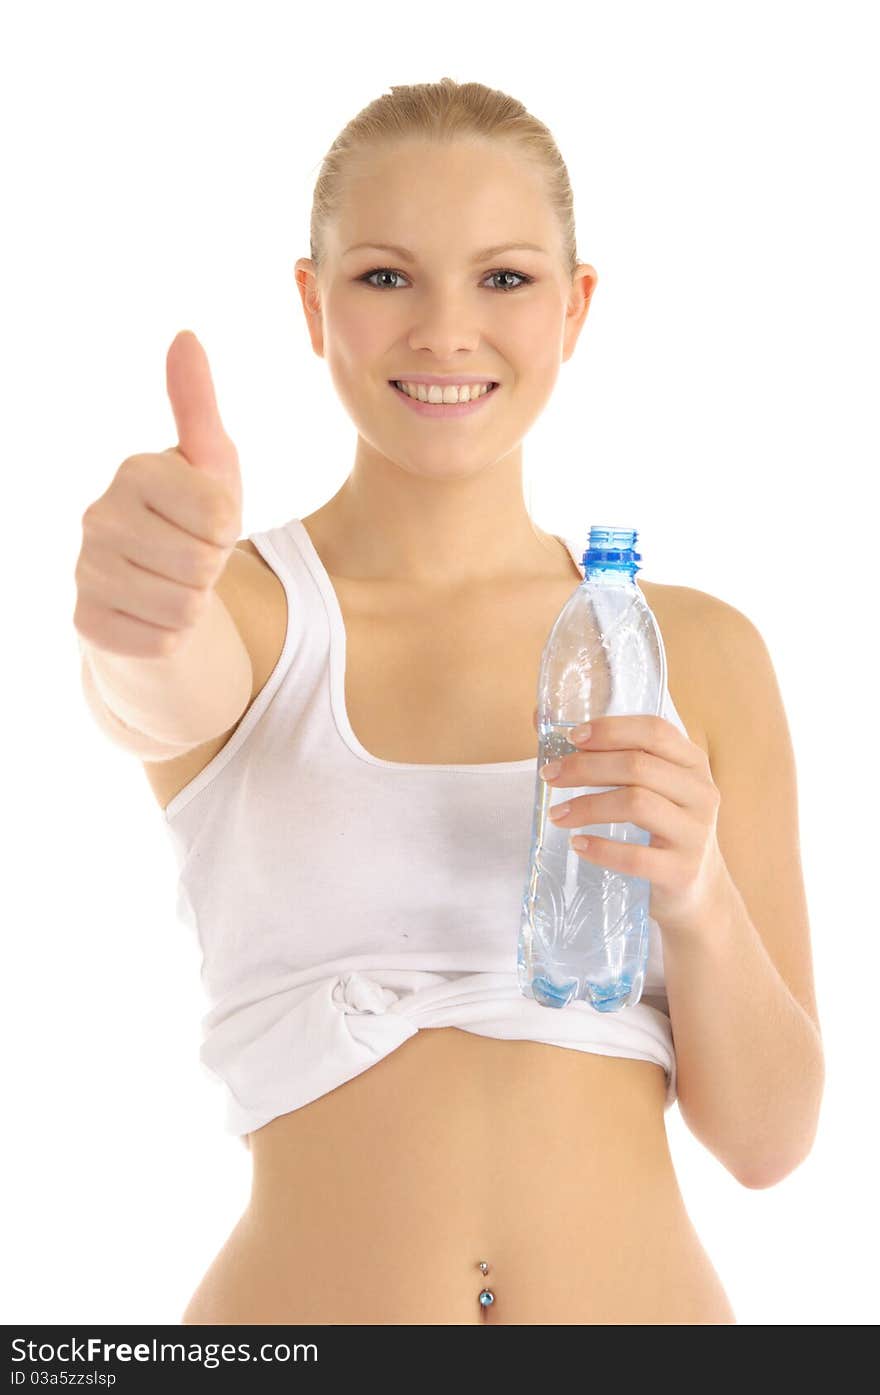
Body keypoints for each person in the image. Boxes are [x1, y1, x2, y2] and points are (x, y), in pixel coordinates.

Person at [74, 77, 824, 1325]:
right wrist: (134, 609)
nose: (443, 330)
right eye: (383, 278)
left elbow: (767, 1142)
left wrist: (693, 896)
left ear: (575, 307)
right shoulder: (251, 615)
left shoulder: (700, 652)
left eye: (504, 279)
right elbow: (150, 686)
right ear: (312, 307)